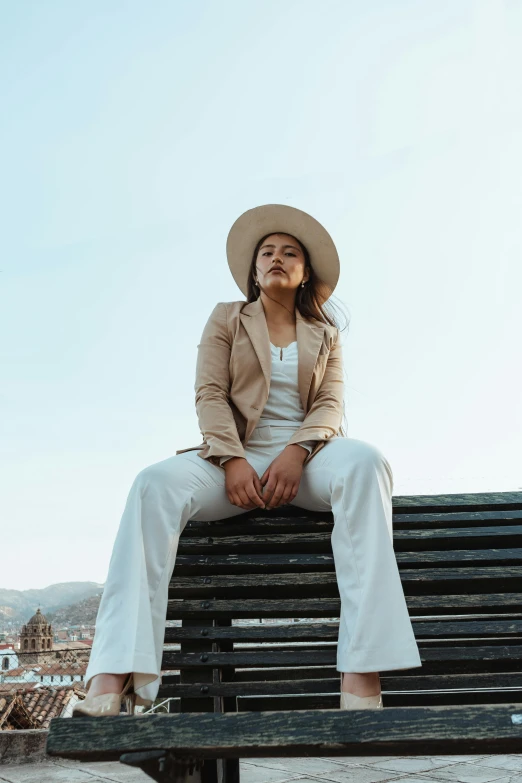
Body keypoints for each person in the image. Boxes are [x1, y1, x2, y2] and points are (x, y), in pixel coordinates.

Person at [73, 204, 422, 718]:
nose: (277, 258)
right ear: (254, 271)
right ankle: (111, 677)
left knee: (367, 463)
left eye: (290, 253)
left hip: (308, 456)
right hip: (230, 453)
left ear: (305, 273)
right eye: (267, 252)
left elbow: (329, 404)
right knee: (151, 484)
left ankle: (361, 673)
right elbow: (209, 394)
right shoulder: (226, 318)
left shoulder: (326, 335)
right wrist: (232, 459)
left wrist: (298, 451)